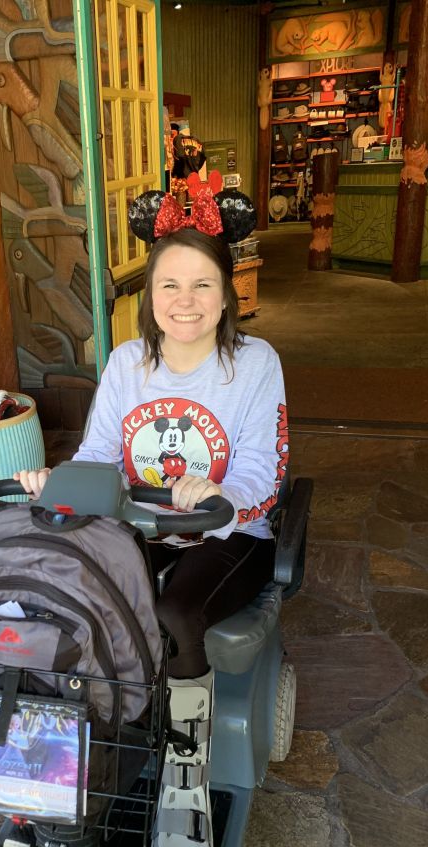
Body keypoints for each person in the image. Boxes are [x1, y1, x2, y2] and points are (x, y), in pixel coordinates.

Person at [15, 183, 288, 687]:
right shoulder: (126, 363)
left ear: (227, 295)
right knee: (84, 591)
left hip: (229, 532)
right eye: (170, 285)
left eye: (203, 285)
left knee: (175, 614)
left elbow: (262, 471)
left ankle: (185, 744)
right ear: (150, 294)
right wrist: (60, 481)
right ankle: (116, 716)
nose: (186, 300)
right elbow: (99, 453)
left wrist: (220, 493)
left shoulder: (255, 364)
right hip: (141, 521)